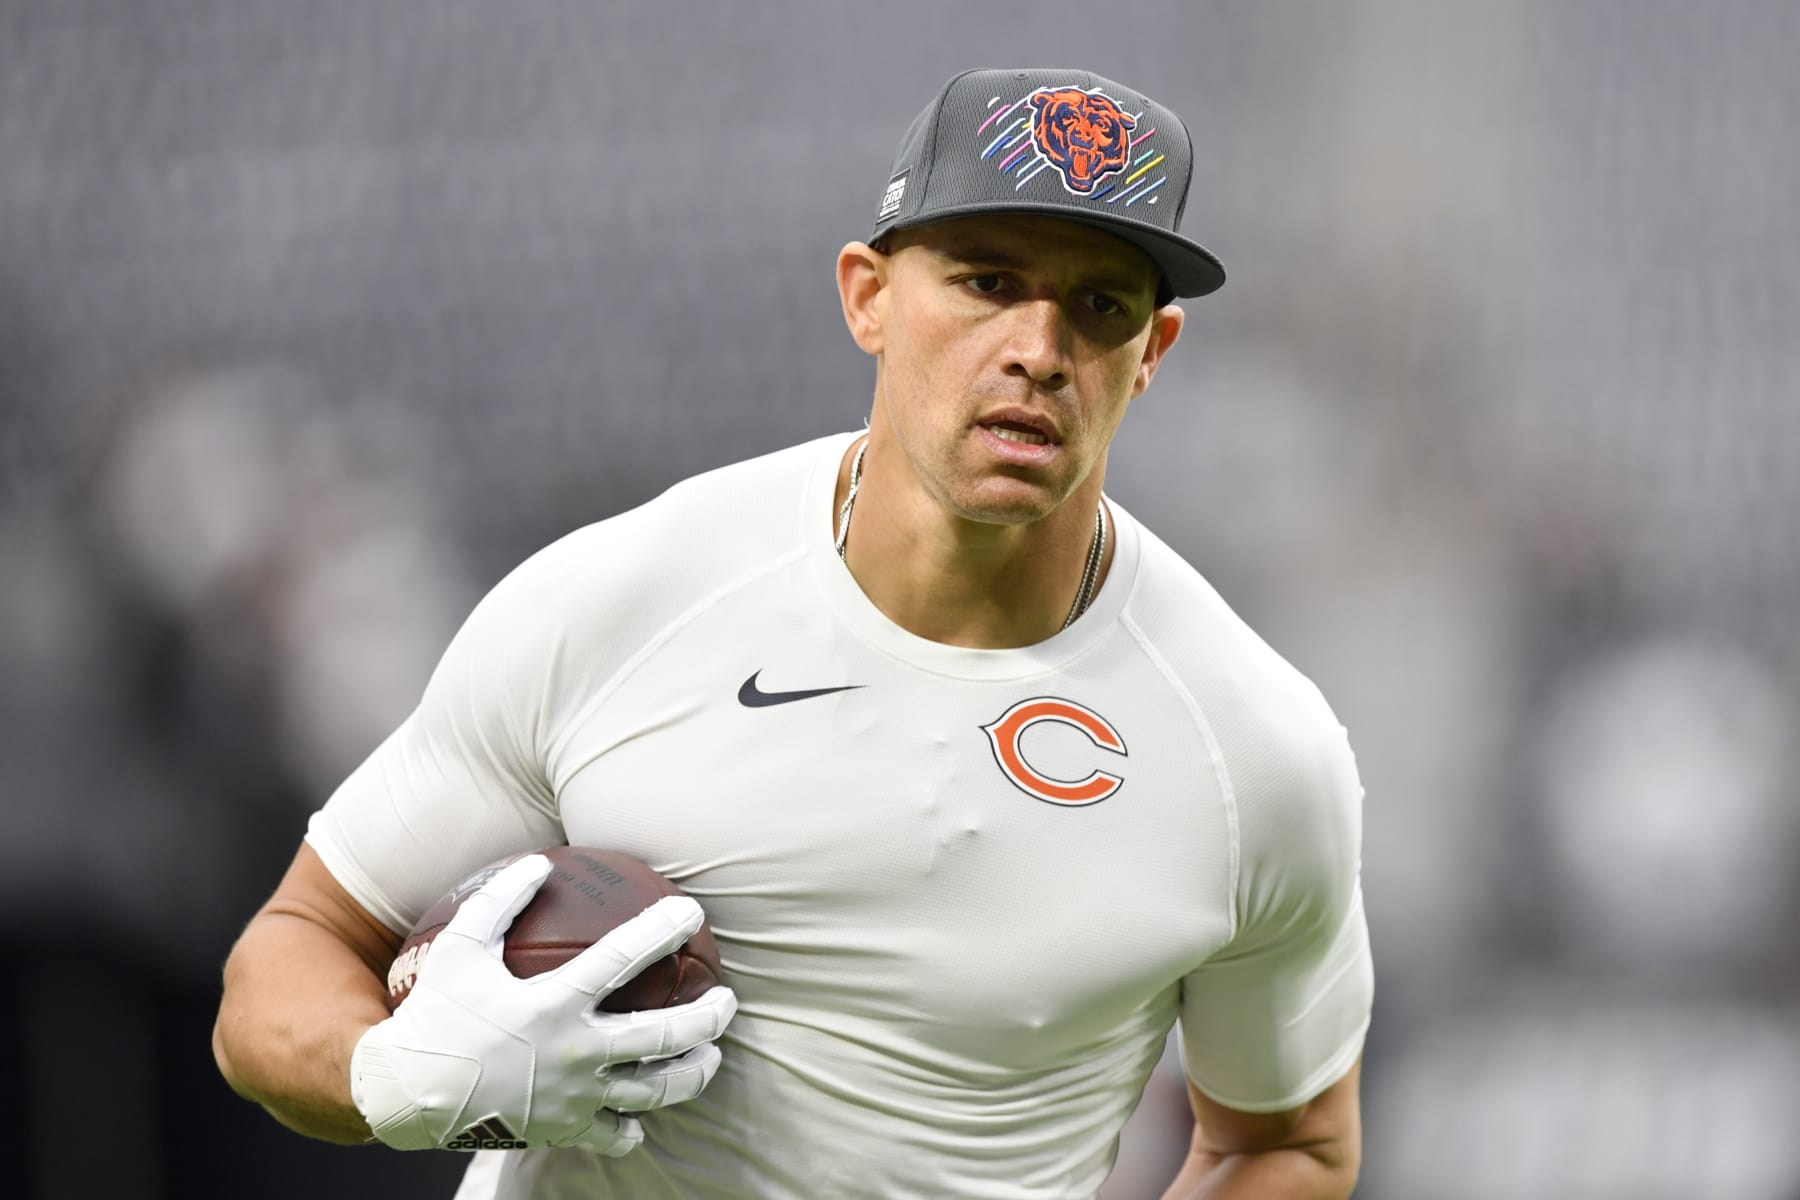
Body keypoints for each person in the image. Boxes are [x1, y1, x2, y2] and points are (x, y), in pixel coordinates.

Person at [213, 67, 1373, 1199]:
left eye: (1099, 304)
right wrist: (401, 1076)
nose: (1037, 348)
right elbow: (295, 951)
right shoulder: (624, 599)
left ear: (1151, 356)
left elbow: (1291, 1145)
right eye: (985, 281)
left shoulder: (1250, 749)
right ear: (868, 296)